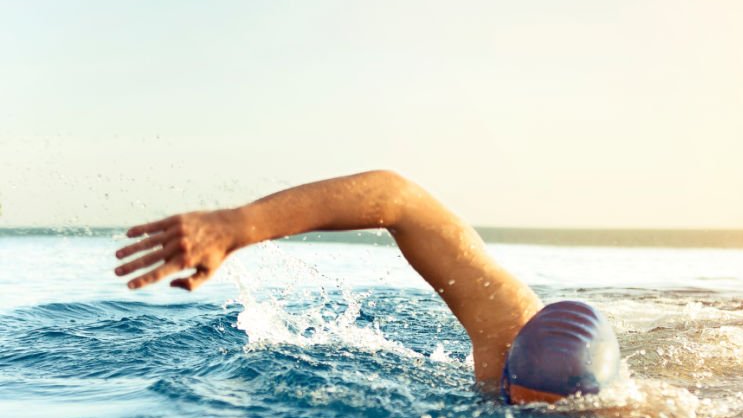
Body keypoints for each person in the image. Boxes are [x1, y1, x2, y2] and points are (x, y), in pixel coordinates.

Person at [114, 170, 620, 404]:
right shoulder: (510, 327)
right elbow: (396, 199)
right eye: (515, 397)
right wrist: (237, 225)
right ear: (506, 373)